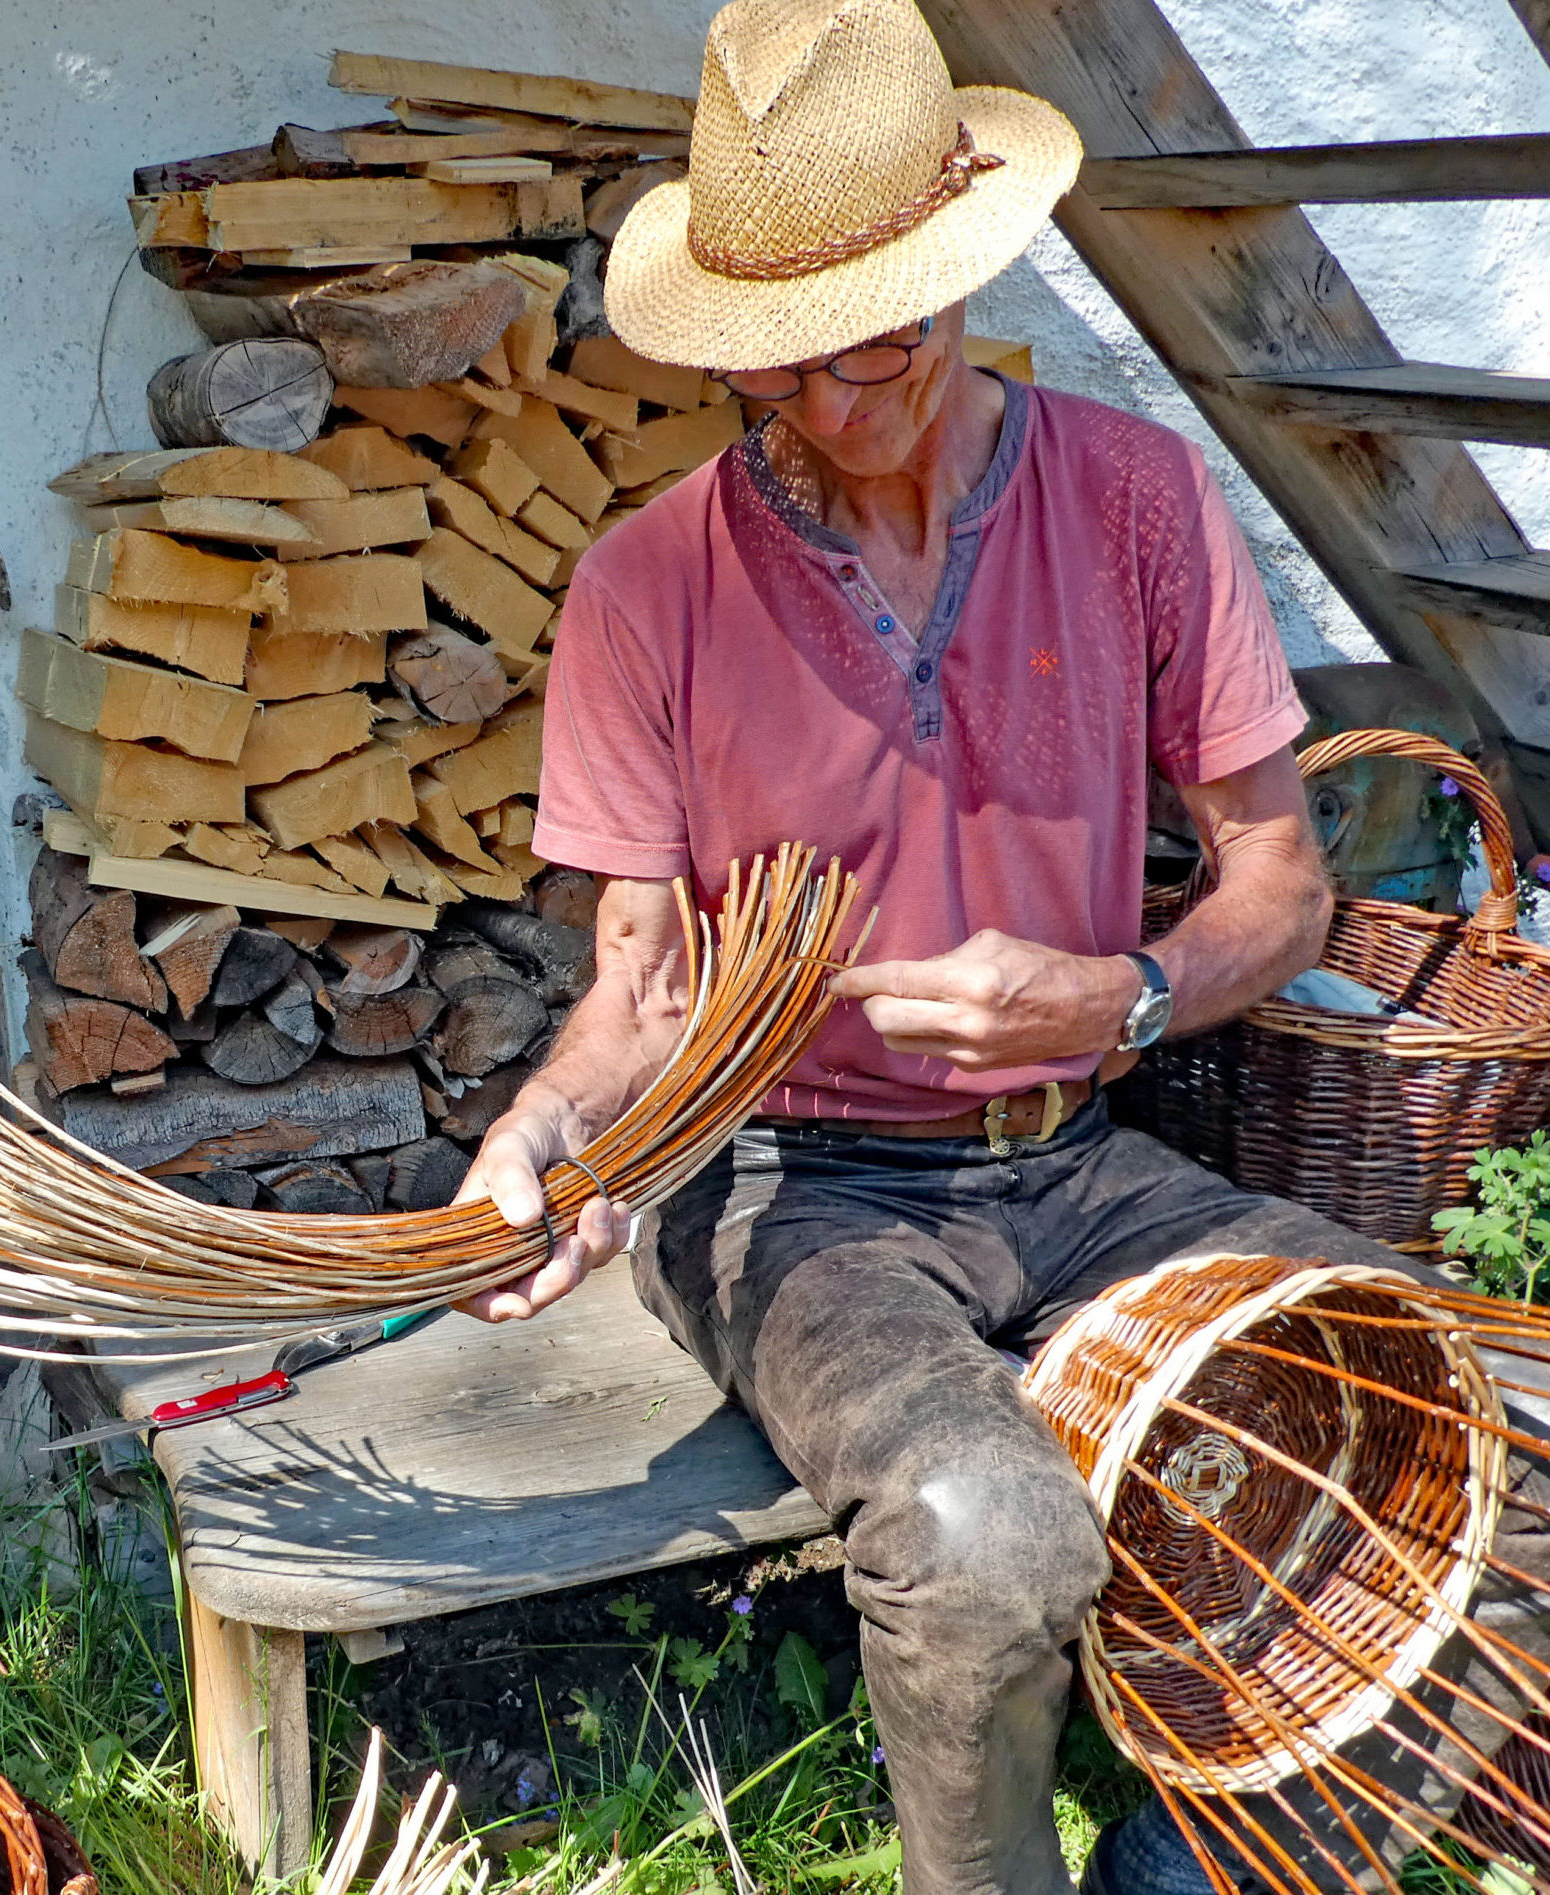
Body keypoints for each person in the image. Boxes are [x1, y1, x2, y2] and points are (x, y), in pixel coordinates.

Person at [451, 1, 1420, 1888]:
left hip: (1078, 1155)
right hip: (785, 1183)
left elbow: (1282, 887)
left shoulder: (1134, 496)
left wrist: (1124, 991)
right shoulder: (644, 584)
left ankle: (1212, 1843)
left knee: (1409, 1383)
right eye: (778, 367)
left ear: (962, 275)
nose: (831, 402)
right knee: (984, 1538)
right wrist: (553, 1136)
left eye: (877, 341)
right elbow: (639, 989)